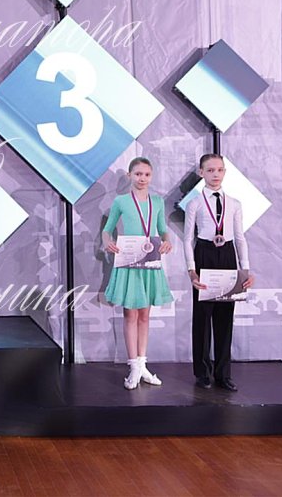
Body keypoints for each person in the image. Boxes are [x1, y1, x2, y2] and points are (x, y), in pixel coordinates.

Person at [184, 153, 254, 391]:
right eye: (210, 170)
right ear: (201, 173)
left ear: (225, 172)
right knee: (202, 317)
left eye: (220, 170)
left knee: (225, 316)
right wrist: (192, 270)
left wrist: (245, 269)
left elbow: (241, 237)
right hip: (204, 253)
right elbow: (187, 239)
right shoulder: (194, 203)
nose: (216, 174)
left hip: (227, 254)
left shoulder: (234, 203)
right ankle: (202, 372)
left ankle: (223, 374)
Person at [103, 157, 173, 389]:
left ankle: (142, 365)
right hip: (129, 261)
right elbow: (107, 230)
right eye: (138, 174)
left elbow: (163, 230)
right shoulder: (121, 201)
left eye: (147, 174)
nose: (142, 178)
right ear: (130, 176)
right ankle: (133, 366)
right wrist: (108, 242)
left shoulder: (158, 201)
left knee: (144, 315)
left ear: (151, 176)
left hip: (150, 261)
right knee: (130, 315)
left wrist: (167, 241)